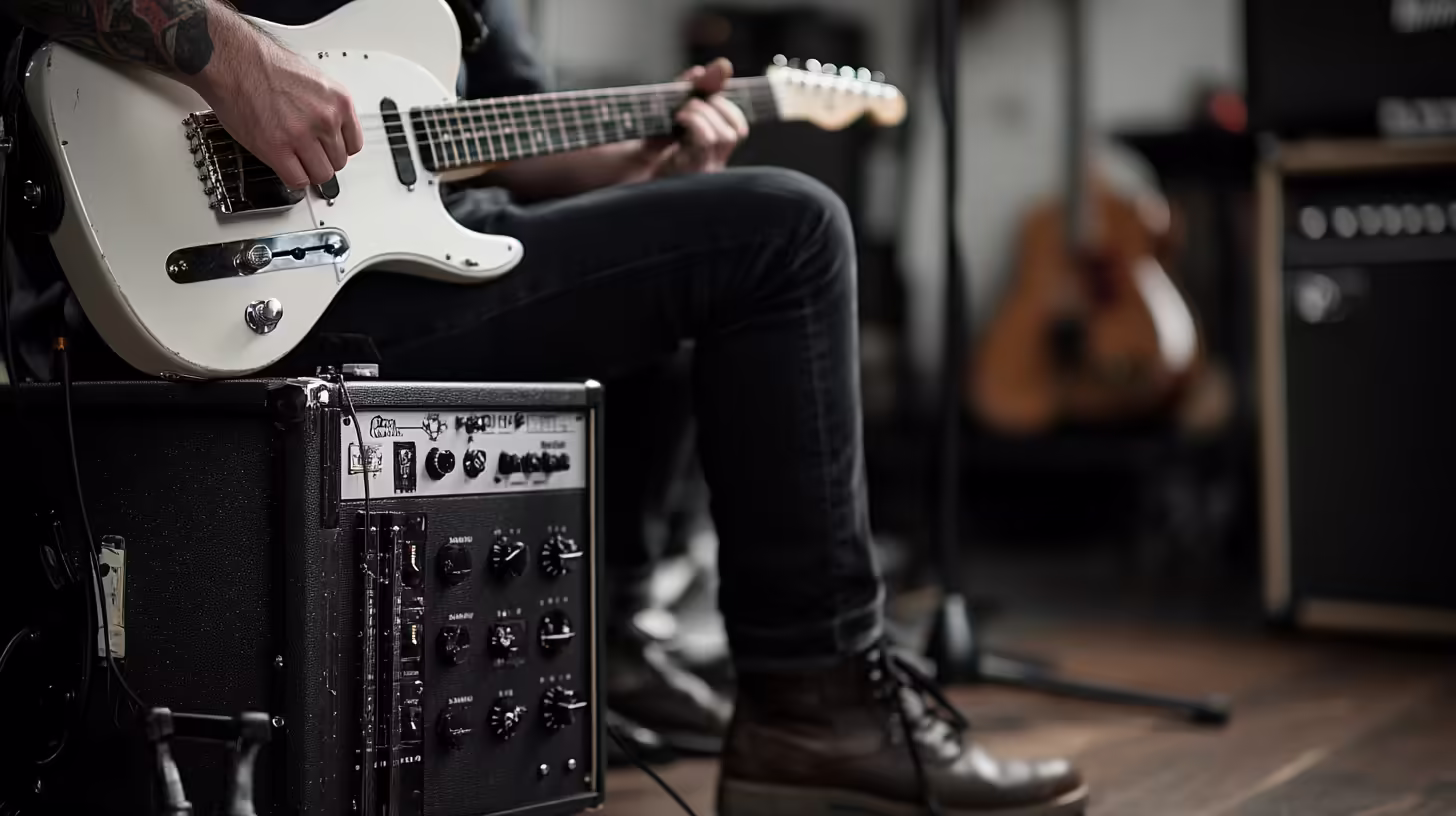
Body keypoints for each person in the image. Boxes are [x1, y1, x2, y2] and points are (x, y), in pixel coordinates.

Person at [1, 1, 1089, 814]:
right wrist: (234, 59)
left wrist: (652, 144)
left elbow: (510, 140)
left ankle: (625, 637)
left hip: (402, 260)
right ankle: (818, 706)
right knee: (791, 231)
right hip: (188, 282)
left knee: (732, 226)